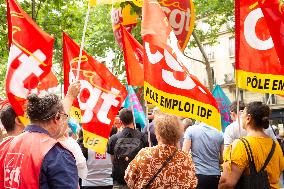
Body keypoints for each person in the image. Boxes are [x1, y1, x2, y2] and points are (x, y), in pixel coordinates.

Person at [0, 81, 81, 189]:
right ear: (57, 117)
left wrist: (70, 97)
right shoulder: (56, 153)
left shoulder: (5, 146)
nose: (64, 122)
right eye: (64, 116)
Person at [219, 101, 284, 189]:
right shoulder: (276, 146)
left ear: (248, 118)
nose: (241, 116)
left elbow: (226, 183)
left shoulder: (240, 145)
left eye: (243, 114)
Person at [125, 113, 197, 189]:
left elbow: (129, 179)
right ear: (178, 133)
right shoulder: (186, 159)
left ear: (158, 134)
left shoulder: (145, 155)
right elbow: (192, 184)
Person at [107, 108, 148, 189]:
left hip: (119, 180)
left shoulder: (114, 138)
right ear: (133, 120)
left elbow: (112, 159)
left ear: (121, 122)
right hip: (137, 180)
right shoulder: (143, 137)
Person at [182, 122, 224, 189]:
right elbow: (222, 159)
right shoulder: (220, 133)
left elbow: (184, 155)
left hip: (197, 174)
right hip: (215, 175)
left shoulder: (191, 130)